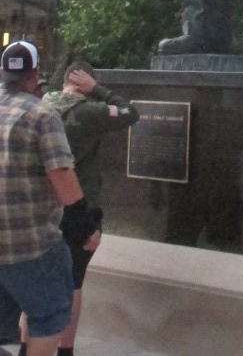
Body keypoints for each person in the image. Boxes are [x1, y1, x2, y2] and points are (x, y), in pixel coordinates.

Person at [0, 41, 97, 356]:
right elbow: (62, 176)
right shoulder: (42, 114)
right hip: (31, 246)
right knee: (50, 314)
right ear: (37, 73)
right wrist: (86, 227)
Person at [39, 62, 139, 356]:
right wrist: (99, 91)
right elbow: (130, 113)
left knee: (41, 280)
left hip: (43, 204)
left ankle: (26, 345)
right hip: (80, 207)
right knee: (73, 280)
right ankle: (65, 350)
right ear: (85, 83)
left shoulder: (42, 107)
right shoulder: (91, 112)